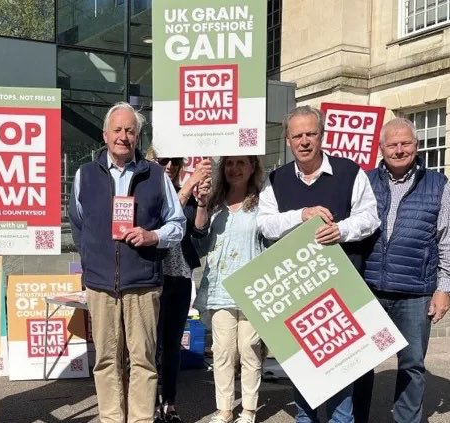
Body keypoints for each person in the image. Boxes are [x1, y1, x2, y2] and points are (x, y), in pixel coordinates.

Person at [257, 105, 380, 423]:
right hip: (297, 293)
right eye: (297, 135)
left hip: (340, 290)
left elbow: (370, 218)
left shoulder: (350, 171)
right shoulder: (276, 179)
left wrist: (342, 230)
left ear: (322, 135)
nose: (304, 141)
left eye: (311, 133)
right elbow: (265, 225)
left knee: (341, 383)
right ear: (287, 140)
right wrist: (302, 215)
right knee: (304, 385)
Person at [69, 102, 186, 423]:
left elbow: (177, 224)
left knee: (143, 361)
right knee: (106, 360)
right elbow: (78, 224)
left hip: (144, 284)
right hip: (101, 286)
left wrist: (153, 237)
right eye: (117, 130)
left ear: (138, 136)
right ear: (105, 134)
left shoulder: (156, 175)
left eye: (130, 131)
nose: (123, 136)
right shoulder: (85, 175)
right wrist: (93, 259)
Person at [352, 118, 450, 423]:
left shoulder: (438, 185)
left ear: (416, 146)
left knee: (411, 364)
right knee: (359, 362)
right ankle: (356, 418)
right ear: (381, 148)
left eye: (405, 143)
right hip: (367, 288)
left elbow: (446, 240)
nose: (399, 150)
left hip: (415, 293)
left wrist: (444, 289)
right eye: (392, 144)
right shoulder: (364, 181)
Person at [193, 156, 266, 423]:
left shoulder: (263, 202)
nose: (235, 169)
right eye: (229, 163)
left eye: (241, 163)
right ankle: (224, 409)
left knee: (249, 348)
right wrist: (201, 204)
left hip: (253, 288)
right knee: (223, 351)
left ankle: (248, 409)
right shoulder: (214, 203)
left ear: (252, 167)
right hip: (219, 287)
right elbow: (200, 244)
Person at [144, 150, 212, 423]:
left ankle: (169, 402)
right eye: (164, 161)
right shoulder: (148, 190)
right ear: (151, 161)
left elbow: (198, 231)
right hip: (151, 275)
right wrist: (186, 188)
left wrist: (203, 203)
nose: (170, 166)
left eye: (176, 161)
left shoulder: (181, 191)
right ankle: (146, 404)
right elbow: (156, 226)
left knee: (172, 342)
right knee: (149, 343)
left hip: (180, 274)